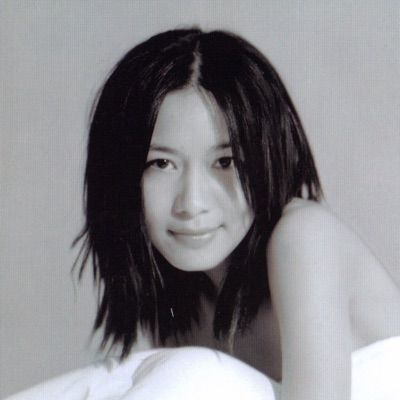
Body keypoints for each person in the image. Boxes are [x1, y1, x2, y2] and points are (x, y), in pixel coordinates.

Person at [7, 28, 400, 400]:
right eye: (161, 164)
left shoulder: (303, 237)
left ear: (267, 157)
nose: (191, 203)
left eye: (226, 161)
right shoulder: (183, 297)